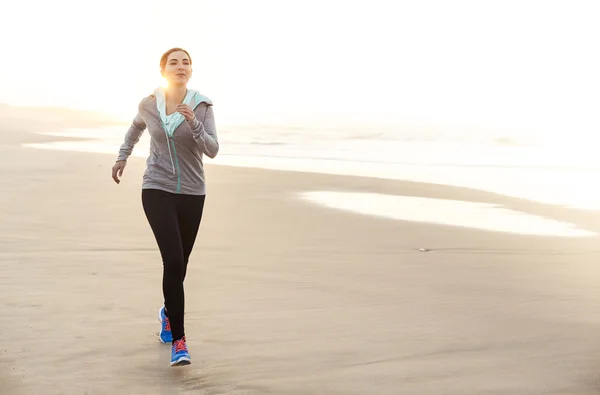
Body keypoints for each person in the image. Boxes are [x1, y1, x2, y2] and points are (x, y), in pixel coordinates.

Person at [111, 47, 219, 366]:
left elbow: (212, 150)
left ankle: (167, 313)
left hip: (192, 193)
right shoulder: (149, 104)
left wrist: (194, 124)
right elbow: (135, 127)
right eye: (174, 62)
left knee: (180, 265)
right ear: (163, 70)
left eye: (186, 62)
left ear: (191, 71)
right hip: (156, 187)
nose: (180, 66)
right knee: (172, 261)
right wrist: (122, 155)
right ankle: (180, 342)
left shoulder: (202, 105)